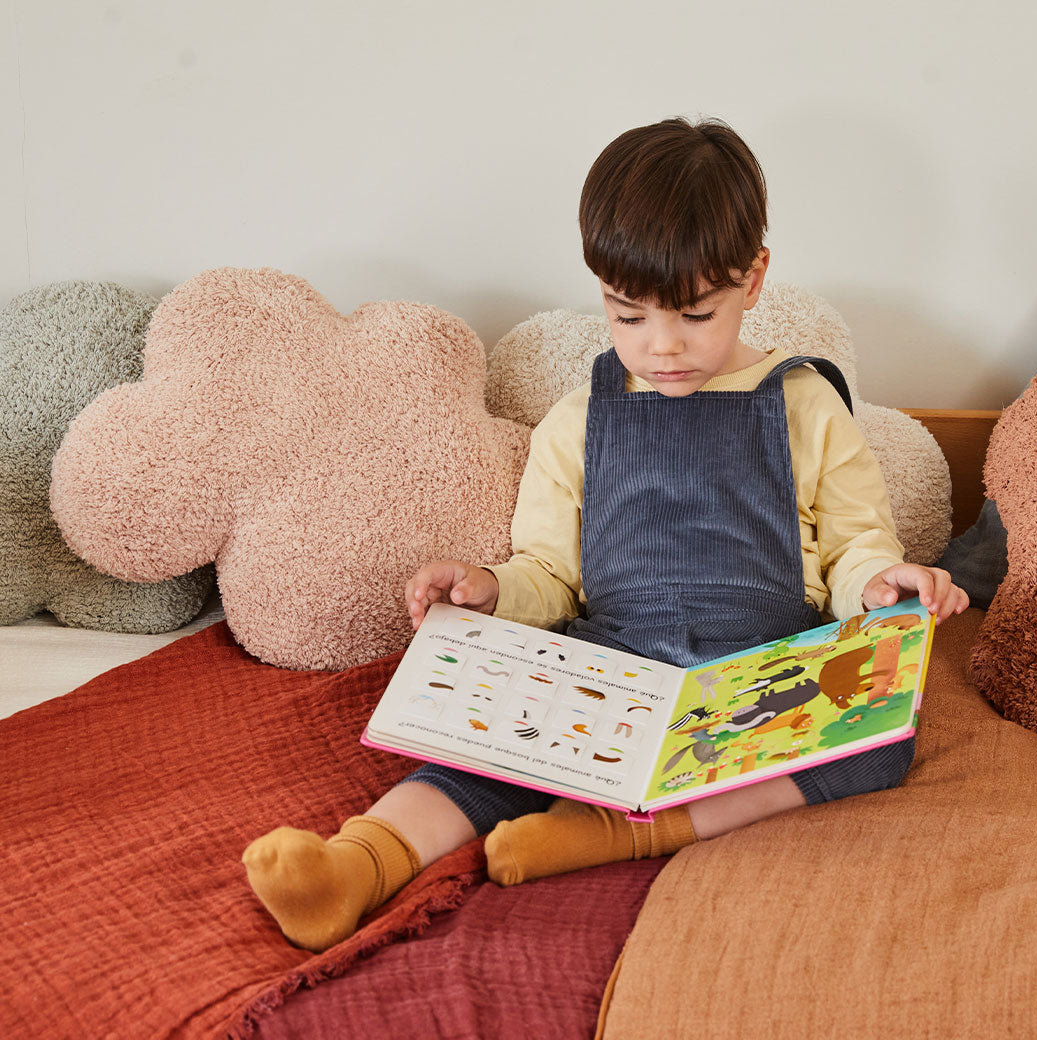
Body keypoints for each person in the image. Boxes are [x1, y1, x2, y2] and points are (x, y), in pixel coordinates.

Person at [242, 117, 968, 952]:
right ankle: (356, 864)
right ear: (602, 291)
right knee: (480, 746)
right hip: (613, 661)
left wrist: (882, 585)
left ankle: (626, 832)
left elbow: (854, 553)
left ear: (755, 277)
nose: (662, 347)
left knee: (878, 744)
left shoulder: (806, 406)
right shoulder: (578, 419)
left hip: (760, 668)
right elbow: (549, 575)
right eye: (627, 316)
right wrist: (490, 586)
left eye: (696, 314)